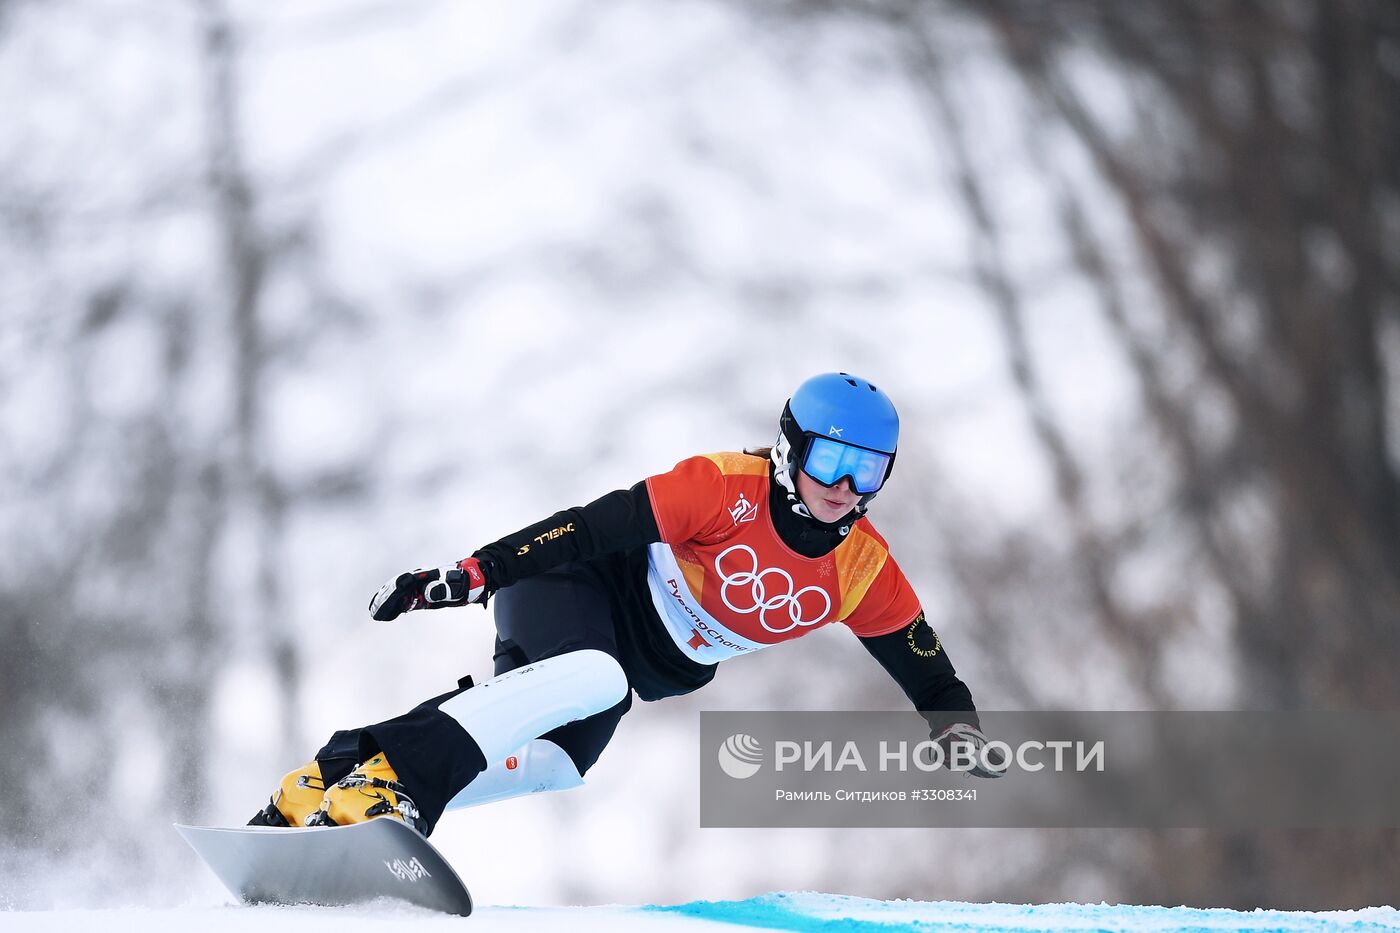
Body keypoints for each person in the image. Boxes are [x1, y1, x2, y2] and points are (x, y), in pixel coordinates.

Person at [250, 372, 1003, 836]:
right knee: (595, 679)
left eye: (868, 470)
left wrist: (961, 735)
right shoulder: (721, 487)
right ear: (788, 447)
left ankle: (337, 776)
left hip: (627, 657)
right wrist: (474, 572)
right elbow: (586, 525)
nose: (844, 486)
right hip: (575, 585)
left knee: (553, 762)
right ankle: (395, 788)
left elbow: (929, 674)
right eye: (830, 459)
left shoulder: (862, 568)